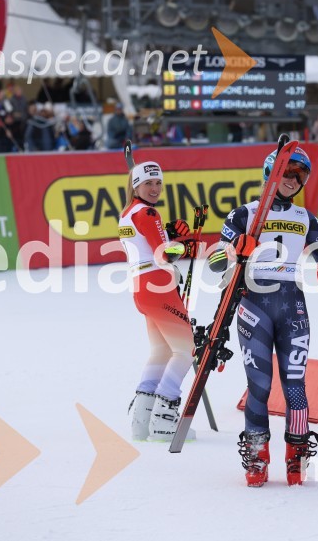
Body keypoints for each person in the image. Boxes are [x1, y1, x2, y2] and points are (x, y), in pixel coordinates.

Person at [208, 145, 318, 487]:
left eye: (301, 175)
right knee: (260, 385)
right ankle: (257, 453)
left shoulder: (307, 218)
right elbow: (215, 262)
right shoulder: (244, 214)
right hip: (254, 305)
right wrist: (235, 249)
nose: (294, 181)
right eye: (288, 172)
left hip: (293, 306)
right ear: (271, 172)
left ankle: (296, 453)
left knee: (295, 385)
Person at [121, 161, 198, 442]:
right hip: (158, 285)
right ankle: (165, 417)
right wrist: (184, 245)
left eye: (158, 183)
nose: (154, 188)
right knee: (187, 349)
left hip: (141, 288)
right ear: (136, 185)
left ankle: (143, 420)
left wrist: (170, 234)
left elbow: (150, 241)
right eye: (148, 183)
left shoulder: (129, 212)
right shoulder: (148, 212)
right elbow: (162, 253)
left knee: (162, 351)